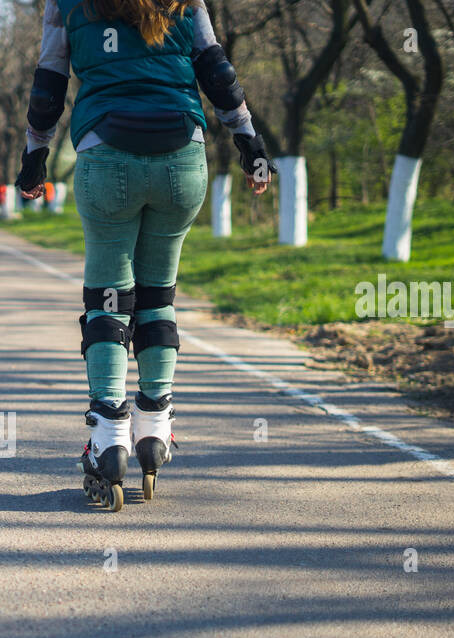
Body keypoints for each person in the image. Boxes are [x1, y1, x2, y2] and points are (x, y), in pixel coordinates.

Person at [16, 0, 275, 511]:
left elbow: (50, 83)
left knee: (109, 299)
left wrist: (34, 155)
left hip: (106, 151)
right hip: (181, 157)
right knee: (157, 295)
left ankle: (108, 437)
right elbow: (217, 70)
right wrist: (250, 142)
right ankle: (154, 429)